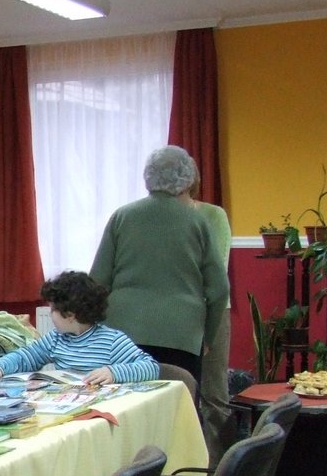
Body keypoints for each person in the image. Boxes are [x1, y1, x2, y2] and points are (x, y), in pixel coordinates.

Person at [89, 145, 226, 383]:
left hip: (122, 333)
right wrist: (208, 337)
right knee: (178, 402)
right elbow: (219, 289)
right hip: (181, 334)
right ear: (188, 179)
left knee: (126, 402)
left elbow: (97, 281)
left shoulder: (122, 216)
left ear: (147, 176)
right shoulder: (198, 222)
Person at [0, 271, 158, 385]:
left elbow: (151, 367)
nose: (50, 313)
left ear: (70, 314)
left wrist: (113, 372)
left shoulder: (112, 341)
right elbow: (26, 356)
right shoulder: (55, 338)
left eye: (53, 309)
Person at [188, 178, 235, 462]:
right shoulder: (155, 219)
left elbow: (217, 272)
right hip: (174, 316)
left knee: (214, 395)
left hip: (211, 312)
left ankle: (221, 468)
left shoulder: (213, 215)